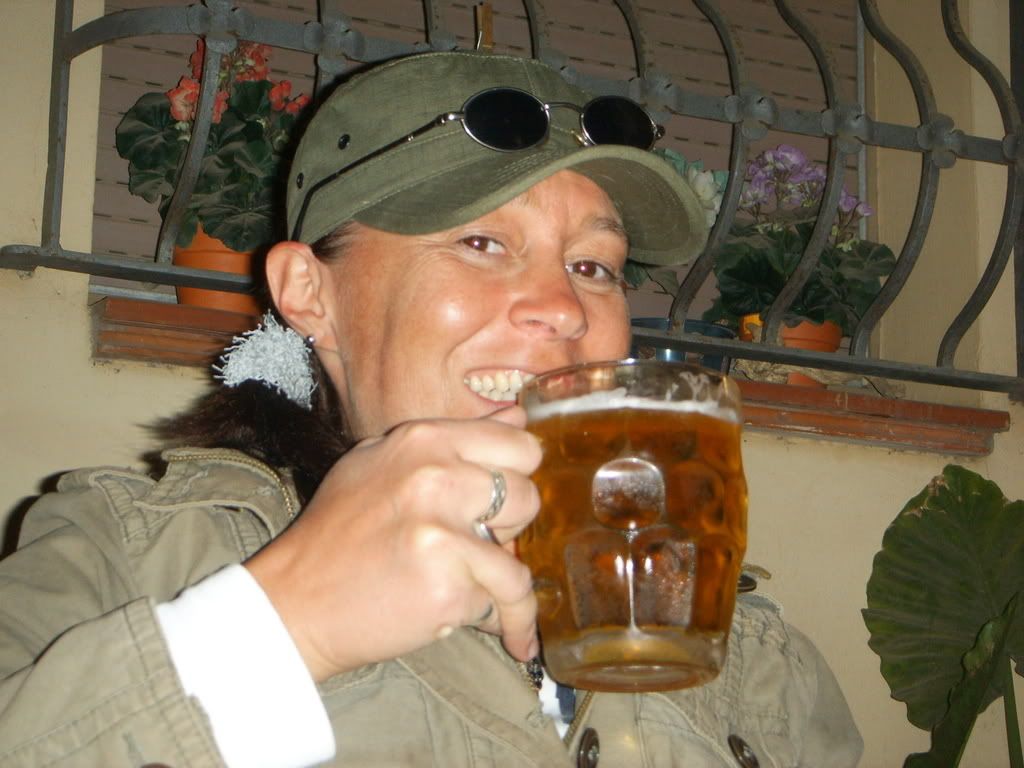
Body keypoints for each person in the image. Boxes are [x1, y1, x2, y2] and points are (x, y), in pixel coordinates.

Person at [0, 50, 861, 767]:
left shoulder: (743, 648)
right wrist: (285, 623)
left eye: (593, 267)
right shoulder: (122, 554)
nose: (563, 310)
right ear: (309, 292)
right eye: (481, 242)